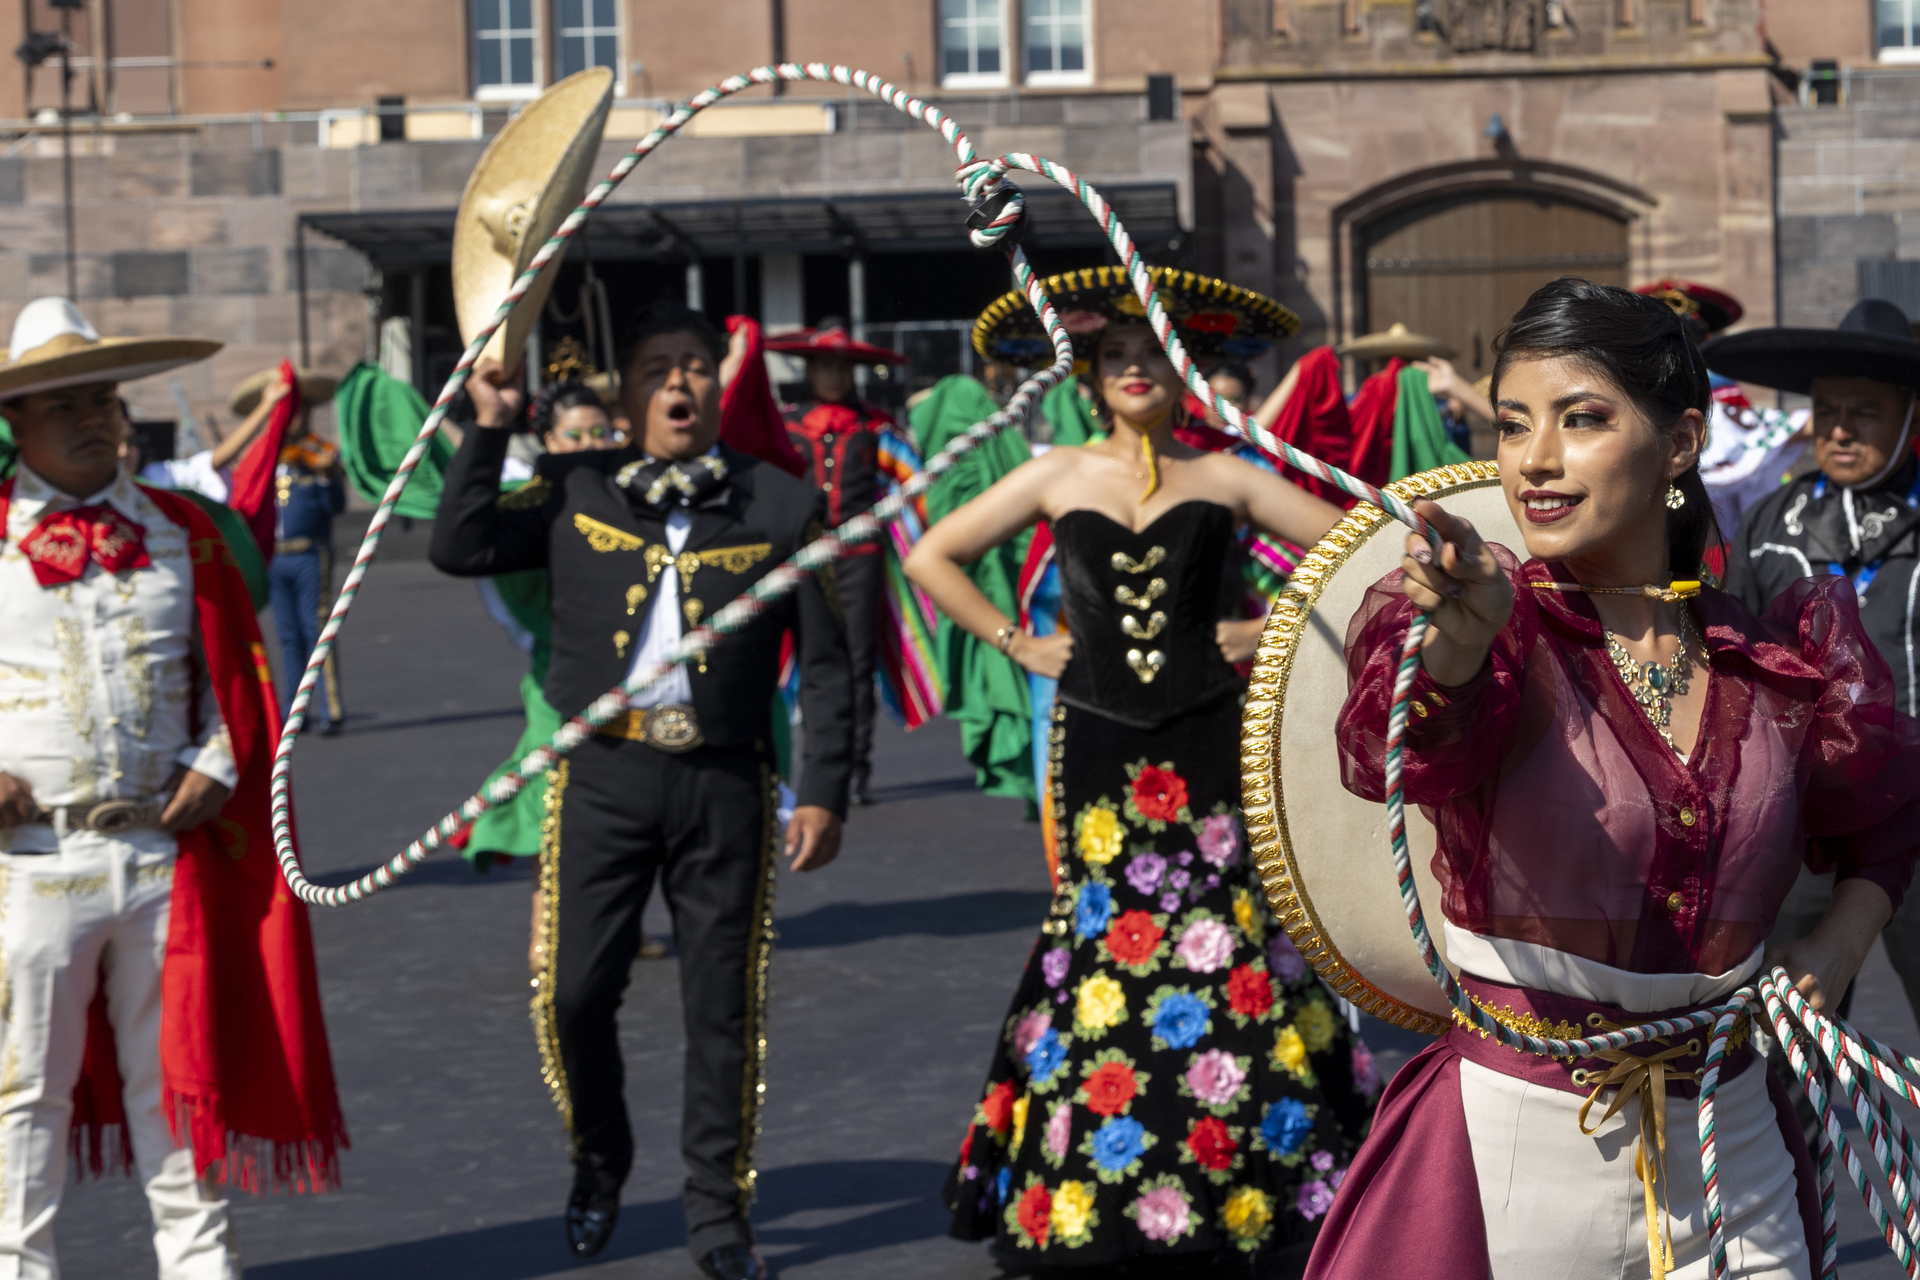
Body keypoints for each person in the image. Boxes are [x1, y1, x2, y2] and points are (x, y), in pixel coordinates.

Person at [1313, 278, 1920, 1279]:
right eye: (1512, 424)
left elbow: (1881, 828)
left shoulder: (1778, 662)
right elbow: (1410, 750)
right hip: (1517, 1159)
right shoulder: (1499, 634)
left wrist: (1837, 942)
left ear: (1682, 441)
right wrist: (1453, 648)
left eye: (1581, 418)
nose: (1535, 460)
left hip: (1738, 1157)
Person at [913, 267, 1378, 1272]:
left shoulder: (1228, 476)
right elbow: (930, 556)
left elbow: (1363, 548)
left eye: (1152, 352)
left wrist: (1266, 627)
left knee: (1226, 928)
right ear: (1087, 375)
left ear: (1186, 367)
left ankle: (1247, 1174)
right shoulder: (1055, 473)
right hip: (1097, 746)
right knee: (1104, 937)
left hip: (1209, 738)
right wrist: (1016, 640)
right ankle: (1099, 1181)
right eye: (1114, 355)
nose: (1134, 369)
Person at [429, 300, 853, 1280]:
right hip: (605, 775)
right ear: (626, 392)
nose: (678, 382)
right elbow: (459, 546)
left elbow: (830, 661)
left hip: (726, 781)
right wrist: (492, 427)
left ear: (717, 384)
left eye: (696, 366)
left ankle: (717, 1210)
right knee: (575, 990)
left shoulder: (783, 503)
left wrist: (823, 789)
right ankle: (600, 1154)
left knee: (721, 1003)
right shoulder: (574, 487)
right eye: (657, 365)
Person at [0, 298, 345, 1279]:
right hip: (28, 867)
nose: (90, 418)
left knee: (180, 1082)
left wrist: (221, 759)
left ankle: (200, 1266)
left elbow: (237, 671)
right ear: (16, 421)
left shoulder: (186, 531)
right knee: (25, 1093)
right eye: (59, 402)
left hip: (161, 855)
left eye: (102, 398)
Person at [1708, 297, 1920, 1032]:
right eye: (1827, 409)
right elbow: (1734, 661)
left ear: (1908, 416)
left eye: (1864, 411)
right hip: (1810, 830)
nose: (1839, 429)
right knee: (1792, 1043)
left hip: (1918, 821)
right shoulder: (1774, 523)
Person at [770, 318, 910, 806]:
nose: (834, 376)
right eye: (825, 367)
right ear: (810, 371)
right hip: (803, 559)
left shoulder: (876, 426)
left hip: (859, 560)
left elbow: (913, 482)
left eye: (842, 368)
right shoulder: (786, 424)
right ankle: (816, 762)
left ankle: (856, 768)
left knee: (855, 664)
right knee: (807, 660)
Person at [231, 368, 348, 736]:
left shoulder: (318, 453)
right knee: (287, 635)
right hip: (274, 556)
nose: (292, 418)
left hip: (310, 554)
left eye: (297, 410)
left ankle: (331, 706)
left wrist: (329, 476)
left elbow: (336, 506)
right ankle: (293, 710)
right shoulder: (263, 458)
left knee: (316, 628)